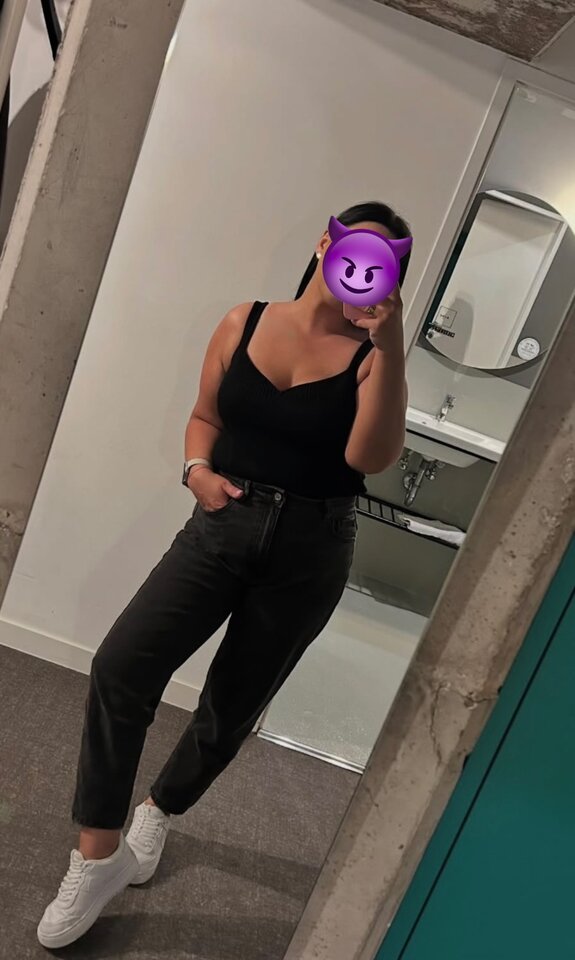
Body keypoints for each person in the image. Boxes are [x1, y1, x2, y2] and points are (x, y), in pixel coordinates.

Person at [37, 201, 411, 948]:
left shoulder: (373, 358)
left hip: (310, 548)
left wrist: (392, 345)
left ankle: (159, 811)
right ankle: (99, 856)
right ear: (326, 243)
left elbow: (367, 459)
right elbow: (204, 417)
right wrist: (195, 470)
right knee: (122, 667)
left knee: (230, 706)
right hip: (220, 526)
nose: (361, 271)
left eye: (383, 264)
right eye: (354, 251)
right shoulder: (245, 321)